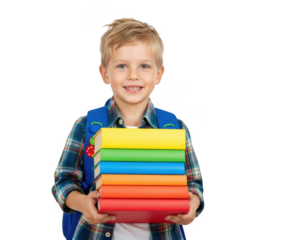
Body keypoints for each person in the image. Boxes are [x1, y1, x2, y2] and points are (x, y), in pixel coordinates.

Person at [51, 16, 204, 240]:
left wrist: (193, 204)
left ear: (159, 74)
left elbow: (194, 183)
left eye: (144, 66)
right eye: (122, 66)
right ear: (104, 73)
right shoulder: (86, 126)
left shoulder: (174, 128)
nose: (133, 75)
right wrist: (83, 204)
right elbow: (62, 182)